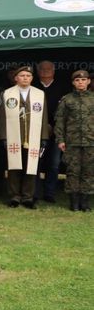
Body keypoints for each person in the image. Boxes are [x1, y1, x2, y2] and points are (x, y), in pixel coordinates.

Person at [0, 66, 48, 208]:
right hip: (14, 135)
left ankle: (28, 197)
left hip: (33, 136)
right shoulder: (7, 94)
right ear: (16, 78)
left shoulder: (40, 94)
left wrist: (44, 137)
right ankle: (14, 196)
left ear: (32, 78)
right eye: (22, 75)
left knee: (30, 167)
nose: (25, 78)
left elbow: (44, 117)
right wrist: (3, 136)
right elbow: (1, 117)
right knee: (14, 167)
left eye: (28, 75)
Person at [55, 69, 94, 211]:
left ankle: (85, 202)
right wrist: (60, 139)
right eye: (77, 80)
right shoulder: (67, 99)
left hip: (91, 142)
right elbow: (60, 121)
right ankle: (74, 202)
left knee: (89, 172)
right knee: (73, 171)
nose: (81, 82)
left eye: (83, 80)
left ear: (88, 81)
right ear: (73, 83)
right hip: (72, 142)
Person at [33, 60, 66, 203]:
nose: (45, 71)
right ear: (38, 71)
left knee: (54, 164)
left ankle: (49, 193)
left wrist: (54, 127)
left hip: (56, 134)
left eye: (48, 69)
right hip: (35, 132)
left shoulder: (62, 88)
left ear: (53, 71)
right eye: (42, 69)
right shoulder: (33, 87)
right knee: (36, 163)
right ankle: (34, 193)